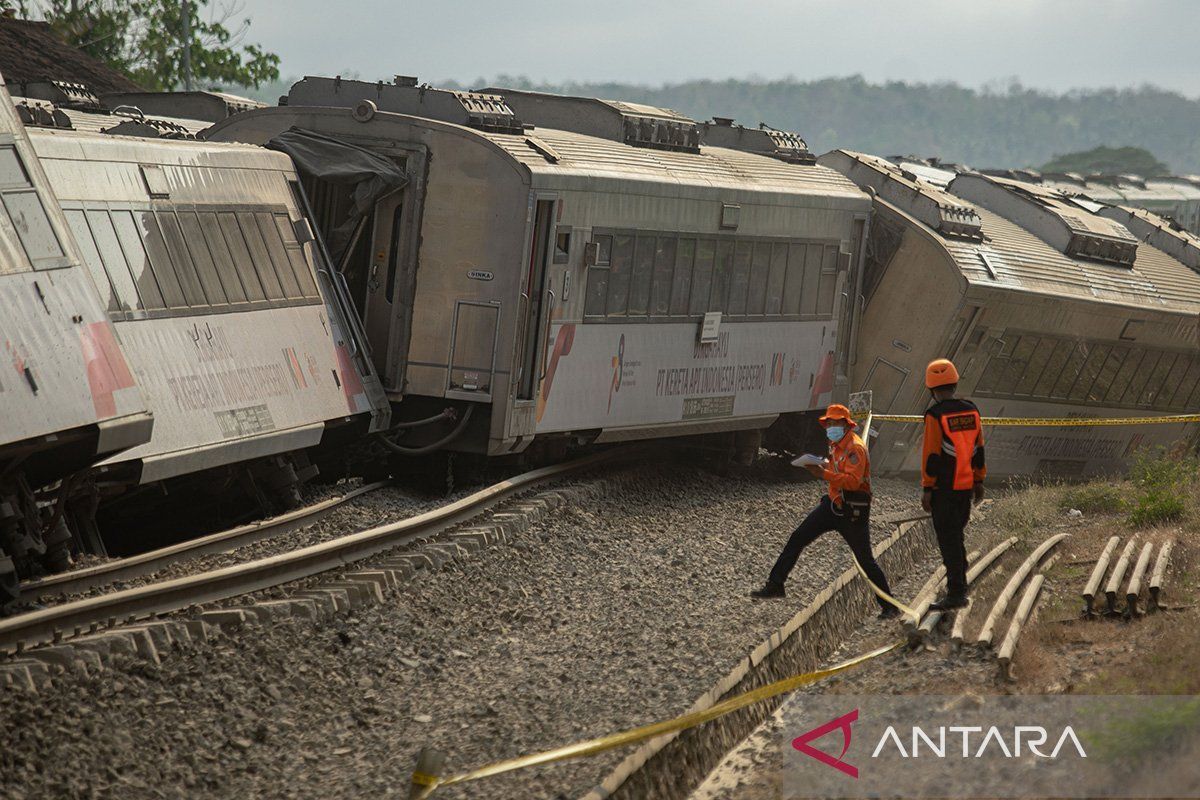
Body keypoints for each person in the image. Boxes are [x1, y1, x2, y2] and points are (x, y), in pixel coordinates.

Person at [751, 403, 900, 619]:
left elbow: (853, 482)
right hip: (832, 505)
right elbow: (837, 470)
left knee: (865, 560)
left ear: (846, 425)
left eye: (834, 423)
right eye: (828, 423)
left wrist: (823, 474)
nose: (830, 426)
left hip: (852, 512)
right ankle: (776, 584)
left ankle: (889, 606)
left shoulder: (855, 448)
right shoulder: (836, 444)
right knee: (798, 538)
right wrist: (822, 467)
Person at [920, 358, 986, 611]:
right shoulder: (972, 410)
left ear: (931, 389)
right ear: (955, 383)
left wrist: (928, 488)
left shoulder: (934, 415)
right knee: (956, 536)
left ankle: (957, 594)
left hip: (944, 489)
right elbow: (979, 448)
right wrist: (979, 480)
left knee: (949, 541)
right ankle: (959, 584)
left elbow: (932, 455)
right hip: (966, 486)